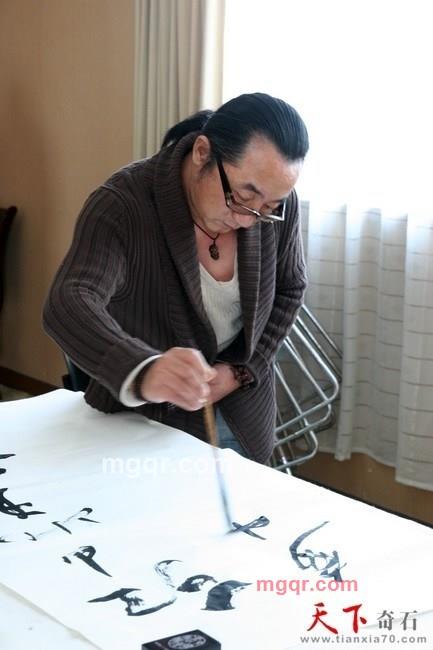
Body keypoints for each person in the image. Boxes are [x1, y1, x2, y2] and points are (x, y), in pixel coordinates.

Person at [43, 92, 309, 463]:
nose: (249, 220)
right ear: (202, 152)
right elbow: (69, 301)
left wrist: (240, 371)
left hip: (241, 412)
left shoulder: (275, 204)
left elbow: (290, 289)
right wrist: (143, 369)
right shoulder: (123, 205)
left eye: (268, 208)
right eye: (241, 196)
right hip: (142, 423)